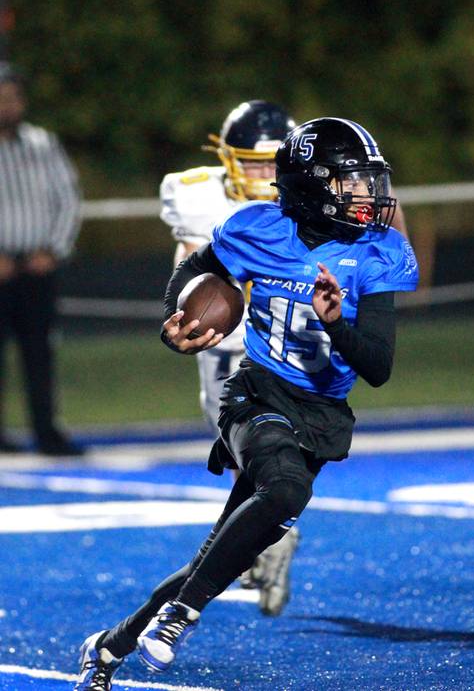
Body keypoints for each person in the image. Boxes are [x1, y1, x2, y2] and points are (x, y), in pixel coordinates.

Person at [73, 117, 419, 690]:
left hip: (321, 412)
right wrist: (175, 320)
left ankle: (109, 647)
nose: (366, 195)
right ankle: (179, 619)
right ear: (311, 187)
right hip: (255, 393)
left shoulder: (379, 251)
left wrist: (336, 324)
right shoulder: (258, 228)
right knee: (285, 490)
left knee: (216, 556)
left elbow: (378, 368)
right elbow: (194, 271)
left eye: (367, 181)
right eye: (350, 182)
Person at [160, 99, 302, 616]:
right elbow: (193, 272)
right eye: (253, 161)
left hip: (289, 336)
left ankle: (270, 524)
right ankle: (270, 524)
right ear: (227, 157)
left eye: (273, 162)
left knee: (270, 445)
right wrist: (181, 316)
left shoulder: (309, 192)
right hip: (223, 342)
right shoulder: (197, 194)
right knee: (233, 437)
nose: (265, 173)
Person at [0, 62, 84, 456]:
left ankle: (47, 433)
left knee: (40, 354)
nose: (6, 106)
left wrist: (52, 250)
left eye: (12, 97)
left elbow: (68, 199)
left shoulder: (43, 144)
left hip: (37, 267)